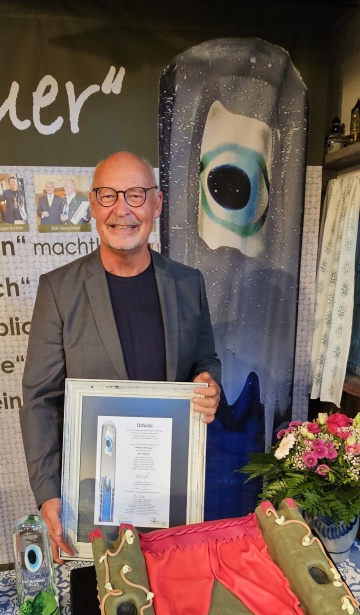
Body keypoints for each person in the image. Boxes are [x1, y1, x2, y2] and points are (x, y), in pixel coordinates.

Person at [20, 151, 221, 563]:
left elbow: (206, 358)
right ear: (92, 205)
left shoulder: (188, 283)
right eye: (108, 195)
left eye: (136, 194)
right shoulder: (58, 290)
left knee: (173, 590)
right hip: (95, 496)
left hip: (170, 492)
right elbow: (39, 400)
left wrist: (208, 383)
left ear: (156, 204)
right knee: (106, 595)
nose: (122, 209)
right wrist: (48, 493)